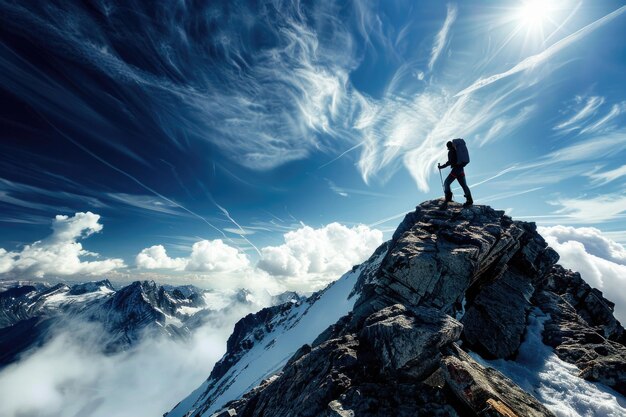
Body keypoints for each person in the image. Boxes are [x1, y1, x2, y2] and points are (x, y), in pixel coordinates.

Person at [438, 141, 473, 207]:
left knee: (446, 183)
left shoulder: (451, 151)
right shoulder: (457, 151)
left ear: (448, 147)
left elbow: (450, 162)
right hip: (461, 169)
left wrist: (441, 167)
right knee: (464, 185)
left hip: (456, 170)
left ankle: (448, 198)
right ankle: (469, 200)